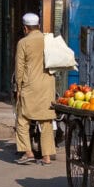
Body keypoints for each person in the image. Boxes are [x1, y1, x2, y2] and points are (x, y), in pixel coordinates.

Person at [13, 12, 56, 165]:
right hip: (48, 85)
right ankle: (47, 157)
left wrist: (18, 87)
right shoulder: (47, 39)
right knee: (46, 121)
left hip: (30, 85)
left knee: (22, 119)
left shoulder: (23, 43)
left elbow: (19, 68)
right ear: (38, 26)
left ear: (25, 28)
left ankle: (28, 152)